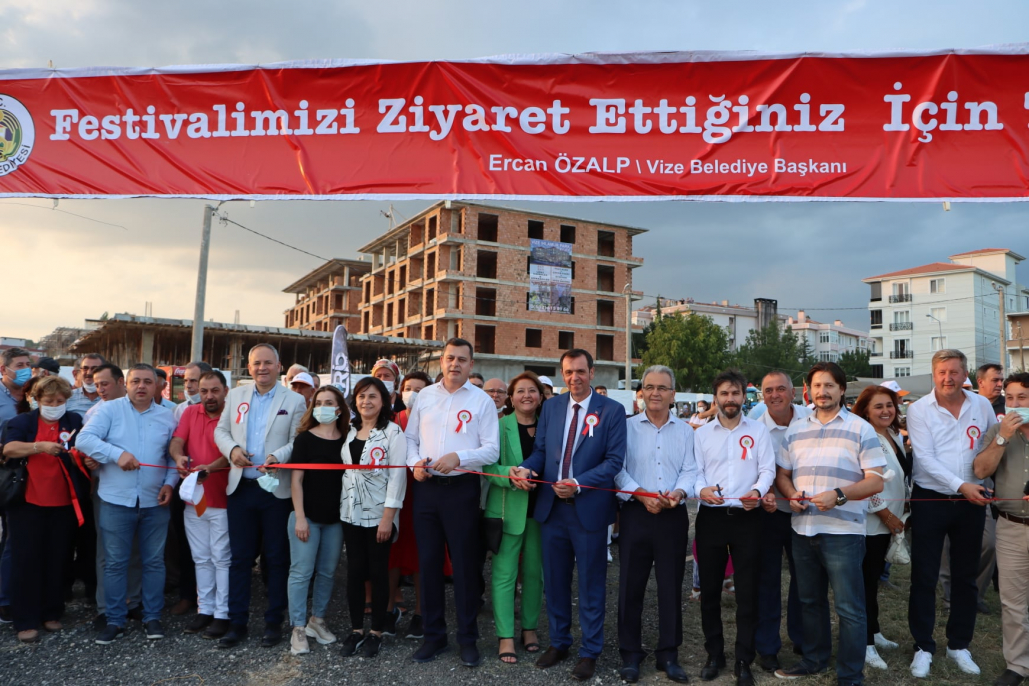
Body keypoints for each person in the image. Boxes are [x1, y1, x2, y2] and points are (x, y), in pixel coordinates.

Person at [511, 348, 627, 682]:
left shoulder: (612, 411)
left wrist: (578, 484)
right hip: (552, 511)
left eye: (580, 371)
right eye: (568, 372)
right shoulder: (551, 407)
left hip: (588, 511)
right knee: (555, 583)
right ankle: (559, 642)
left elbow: (614, 461)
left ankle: (590, 652)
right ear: (562, 374)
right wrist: (526, 468)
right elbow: (542, 451)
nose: (574, 377)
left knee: (591, 585)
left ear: (592, 372)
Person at [774, 361, 885, 686]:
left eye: (829, 385)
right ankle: (814, 660)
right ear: (808, 391)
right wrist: (791, 494)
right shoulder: (796, 430)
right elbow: (783, 474)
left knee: (849, 608)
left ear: (841, 390)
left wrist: (838, 495)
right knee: (810, 602)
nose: (822, 392)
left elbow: (876, 480)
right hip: (802, 529)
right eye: (817, 386)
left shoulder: (860, 428)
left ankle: (850, 675)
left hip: (843, 534)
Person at [406, 338, 499, 668]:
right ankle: (434, 636)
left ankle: (467, 639)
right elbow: (410, 439)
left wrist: (459, 456)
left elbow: (491, 450)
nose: (455, 364)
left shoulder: (481, 401)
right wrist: (414, 464)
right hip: (427, 490)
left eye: (461, 359)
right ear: (441, 361)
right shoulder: (425, 397)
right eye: (449, 358)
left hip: (461, 490)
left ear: (471, 364)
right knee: (429, 564)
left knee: (464, 566)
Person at [906, 349, 998, 678]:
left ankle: (959, 644)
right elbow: (925, 459)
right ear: (934, 375)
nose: (948, 378)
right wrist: (962, 485)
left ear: (965, 374)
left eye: (955, 372)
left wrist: (984, 484)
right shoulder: (918, 409)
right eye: (942, 372)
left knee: (965, 575)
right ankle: (923, 646)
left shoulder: (982, 405)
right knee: (924, 575)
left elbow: (993, 446)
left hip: (972, 500)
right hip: (931, 498)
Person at [213, 343, 307, 649]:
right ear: (249, 367)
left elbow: (297, 439)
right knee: (240, 559)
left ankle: (273, 622)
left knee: (277, 558)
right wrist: (232, 450)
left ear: (279, 367)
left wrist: (278, 456)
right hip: (241, 488)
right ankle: (237, 623)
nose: (262, 368)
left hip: (275, 490)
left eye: (268, 363)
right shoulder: (236, 396)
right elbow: (221, 431)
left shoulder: (294, 400)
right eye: (256, 363)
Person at [78, 364, 179, 645]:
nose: (141, 386)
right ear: (126, 383)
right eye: (136, 381)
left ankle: (152, 616)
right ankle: (114, 619)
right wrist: (116, 454)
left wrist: (170, 483)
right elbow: (84, 439)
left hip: (154, 500)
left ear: (158, 386)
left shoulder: (168, 416)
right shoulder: (109, 410)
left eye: (147, 381)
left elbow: (172, 456)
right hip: (115, 499)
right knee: (115, 563)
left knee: (154, 562)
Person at [614, 365, 697, 684]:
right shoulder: (626, 428)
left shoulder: (686, 431)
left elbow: (690, 470)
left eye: (662, 388)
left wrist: (679, 492)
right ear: (641, 393)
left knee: (670, 586)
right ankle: (630, 654)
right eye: (649, 387)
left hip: (672, 515)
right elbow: (618, 469)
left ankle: (668, 654)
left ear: (673, 394)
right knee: (630, 586)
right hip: (636, 513)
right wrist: (641, 494)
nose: (655, 393)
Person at [693, 369, 774, 686]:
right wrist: (701, 490)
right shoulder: (702, 434)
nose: (730, 399)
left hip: (747, 519)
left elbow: (767, 469)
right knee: (710, 591)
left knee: (748, 593)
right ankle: (714, 654)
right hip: (711, 519)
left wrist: (757, 491)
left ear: (743, 396)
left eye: (735, 393)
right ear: (716, 397)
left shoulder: (758, 431)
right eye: (724, 393)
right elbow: (696, 472)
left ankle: (744, 659)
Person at [1, 376, 88, 643]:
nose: (54, 405)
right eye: (49, 401)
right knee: (26, 561)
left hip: (64, 503)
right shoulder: (22, 422)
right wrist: (39, 447)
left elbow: (83, 448)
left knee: (58, 559)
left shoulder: (74, 421)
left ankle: (52, 612)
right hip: (28, 503)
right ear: (36, 400)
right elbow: (9, 448)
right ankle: (25, 619)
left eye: (60, 401)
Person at [754, 371, 819, 672]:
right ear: (762, 395)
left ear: (793, 393)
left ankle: (803, 639)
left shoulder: (811, 419)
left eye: (781, 389)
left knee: (804, 580)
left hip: (806, 512)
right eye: (769, 390)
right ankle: (767, 647)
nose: (775, 395)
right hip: (769, 514)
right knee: (767, 581)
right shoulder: (755, 426)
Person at [338, 377, 407, 658]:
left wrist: (388, 518)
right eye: (361, 396)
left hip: (380, 515)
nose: (366, 401)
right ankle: (356, 629)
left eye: (373, 396)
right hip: (350, 512)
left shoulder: (393, 432)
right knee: (355, 572)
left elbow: (398, 477)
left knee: (378, 573)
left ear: (384, 401)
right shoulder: (349, 430)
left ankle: (376, 631)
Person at [483, 372, 546, 665]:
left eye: (532, 390)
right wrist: (509, 474)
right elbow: (486, 467)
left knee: (535, 574)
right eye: (520, 391)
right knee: (504, 575)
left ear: (541, 396)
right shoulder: (498, 426)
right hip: (506, 511)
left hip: (541, 512)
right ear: (511, 397)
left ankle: (529, 628)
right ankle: (505, 635)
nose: (526, 395)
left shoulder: (549, 427)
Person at [973, 372, 1029, 686]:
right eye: (1009, 398)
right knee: (1012, 601)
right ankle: (1018, 665)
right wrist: (1003, 437)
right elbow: (981, 469)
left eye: (1022, 398)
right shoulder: (998, 430)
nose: (1015, 404)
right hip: (1010, 525)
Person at [286, 385, 349, 657]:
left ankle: (317, 620)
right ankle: (298, 628)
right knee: (301, 573)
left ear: (339, 409)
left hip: (335, 520)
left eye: (329, 402)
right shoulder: (304, 440)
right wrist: (300, 517)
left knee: (327, 572)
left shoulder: (347, 439)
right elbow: (296, 480)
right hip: (307, 517)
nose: (323, 407)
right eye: (319, 402)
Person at [852, 384, 910, 670]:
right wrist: (886, 514)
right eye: (878, 406)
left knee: (873, 580)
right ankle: (864, 644)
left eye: (889, 405)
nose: (886, 411)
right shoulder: (865, 437)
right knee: (864, 584)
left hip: (890, 521)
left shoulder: (893, 434)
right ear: (865, 410)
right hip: (871, 523)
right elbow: (865, 480)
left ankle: (873, 631)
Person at [170, 370, 231, 639]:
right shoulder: (189, 412)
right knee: (201, 558)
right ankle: (205, 609)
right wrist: (178, 457)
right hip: (195, 498)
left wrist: (211, 468)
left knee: (221, 558)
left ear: (225, 391)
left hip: (223, 499)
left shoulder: (233, 415)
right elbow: (177, 441)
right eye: (204, 391)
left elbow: (234, 452)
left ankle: (222, 613)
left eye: (215, 390)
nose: (209, 396)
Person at [941, 361, 1005, 615]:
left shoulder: (1005, 408)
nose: (999, 384)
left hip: (988, 484)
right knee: (949, 546)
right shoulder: (960, 404)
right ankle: (950, 597)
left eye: (1001, 380)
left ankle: (973, 594)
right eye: (995, 380)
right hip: (949, 484)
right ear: (980, 381)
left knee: (989, 543)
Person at [387, 369, 432, 640]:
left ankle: (420, 612)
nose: (412, 394)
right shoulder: (391, 421)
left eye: (418, 389)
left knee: (420, 554)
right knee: (391, 552)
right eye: (407, 388)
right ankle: (389, 608)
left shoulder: (433, 421)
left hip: (422, 493)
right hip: (394, 496)